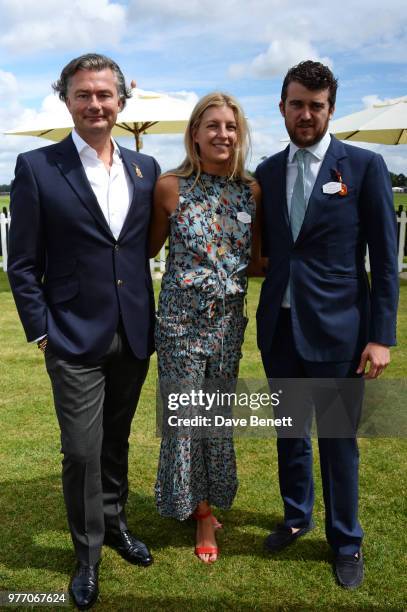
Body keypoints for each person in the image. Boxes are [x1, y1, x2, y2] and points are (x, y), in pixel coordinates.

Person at [7, 53, 160, 609]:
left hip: (134, 333)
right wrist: (41, 331)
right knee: (81, 450)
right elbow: (22, 263)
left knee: (115, 442)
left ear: (121, 100)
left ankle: (117, 525)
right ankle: (87, 554)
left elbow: (137, 250)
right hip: (71, 335)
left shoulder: (146, 171)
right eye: (83, 95)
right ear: (66, 100)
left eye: (104, 95)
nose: (95, 104)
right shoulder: (37, 167)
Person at [256, 61, 398, 588]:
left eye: (316, 105)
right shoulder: (267, 173)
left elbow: (385, 261)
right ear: (283, 107)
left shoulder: (362, 167)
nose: (306, 114)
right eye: (297, 104)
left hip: (341, 332)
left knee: (339, 440)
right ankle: (296, 517)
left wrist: (381, 335)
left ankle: (346, 540)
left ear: (330, 109)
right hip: (279, 331)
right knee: (290, 435)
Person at [150, 92, 262, 564]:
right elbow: (143, 250)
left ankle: (208, 502)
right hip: (179, 323)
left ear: (240, 135)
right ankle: (197, 511)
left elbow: (256, 262)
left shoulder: (251, 192)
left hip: (228, 326)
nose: (222, 134)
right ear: (194, 133)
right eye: (212, 125)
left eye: (230, 127)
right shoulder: (169, 186)